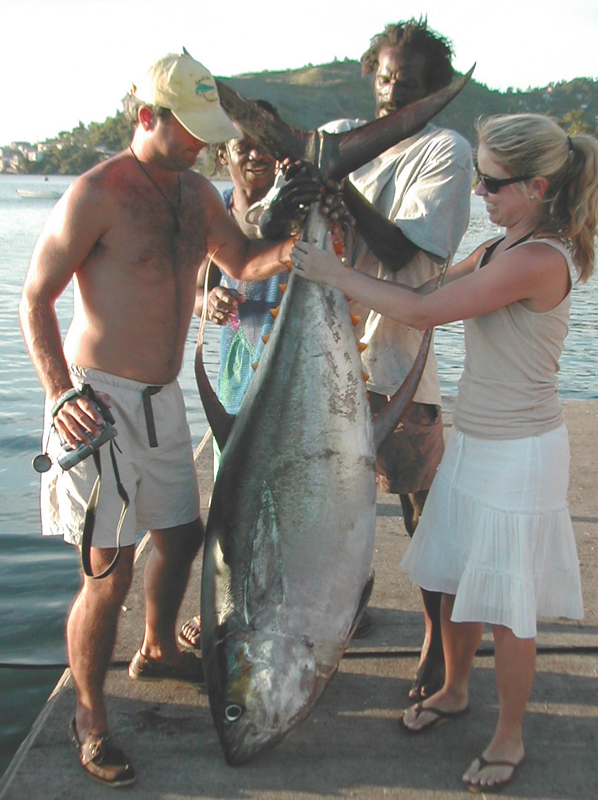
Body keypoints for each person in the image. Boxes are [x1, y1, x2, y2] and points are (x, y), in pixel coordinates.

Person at [291, 112, 598, 793]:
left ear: (538, 186)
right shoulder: (499, 247)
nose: (482, 195)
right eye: (481, 182)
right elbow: (426, 289)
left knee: (506, 610)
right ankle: (457, 689)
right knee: (462, 577)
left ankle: (510, 736)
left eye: (493, 184)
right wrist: (341, 253)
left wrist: (330, 274)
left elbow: (425, 314)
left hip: (520, 454)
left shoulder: (536, 259)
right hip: (480, 439)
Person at [19, 51, 294, 788]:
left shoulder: (199, 194)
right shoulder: (94, 193)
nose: (201, 145)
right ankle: (89, 714)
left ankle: (159, 648)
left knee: (182, 532)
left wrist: (297, 243)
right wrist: (58, 395)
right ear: (147, 116)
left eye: (209, 132)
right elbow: (33, 300)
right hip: (96, 400)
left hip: (162, 398)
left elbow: (243, 262)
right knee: (107, 571)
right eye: (188, 131)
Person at [262, 17, 473, 685]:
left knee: (420, 509)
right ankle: (325, 618)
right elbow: (265, 229)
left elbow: (402, 252)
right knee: (312, 506)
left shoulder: (446, 150)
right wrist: (290, 195)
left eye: (405, 85)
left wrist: (337, 184)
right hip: (317, 363)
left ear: (435, 92)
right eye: (382, 78)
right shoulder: (343, 140)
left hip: (394, 361)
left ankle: (436, 644)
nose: (388, 94)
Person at [178, 102, 290, 653]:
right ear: (223, 154)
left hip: (290, 377)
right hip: (236, 378)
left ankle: (297, 597)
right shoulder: (214, 212)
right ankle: (225, 600)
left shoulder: (294, 212)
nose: (252, 152)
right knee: (230, 495)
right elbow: (195, 288)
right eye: (241, 143)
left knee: (291, 495)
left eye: (262, 142)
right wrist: (210, 301)